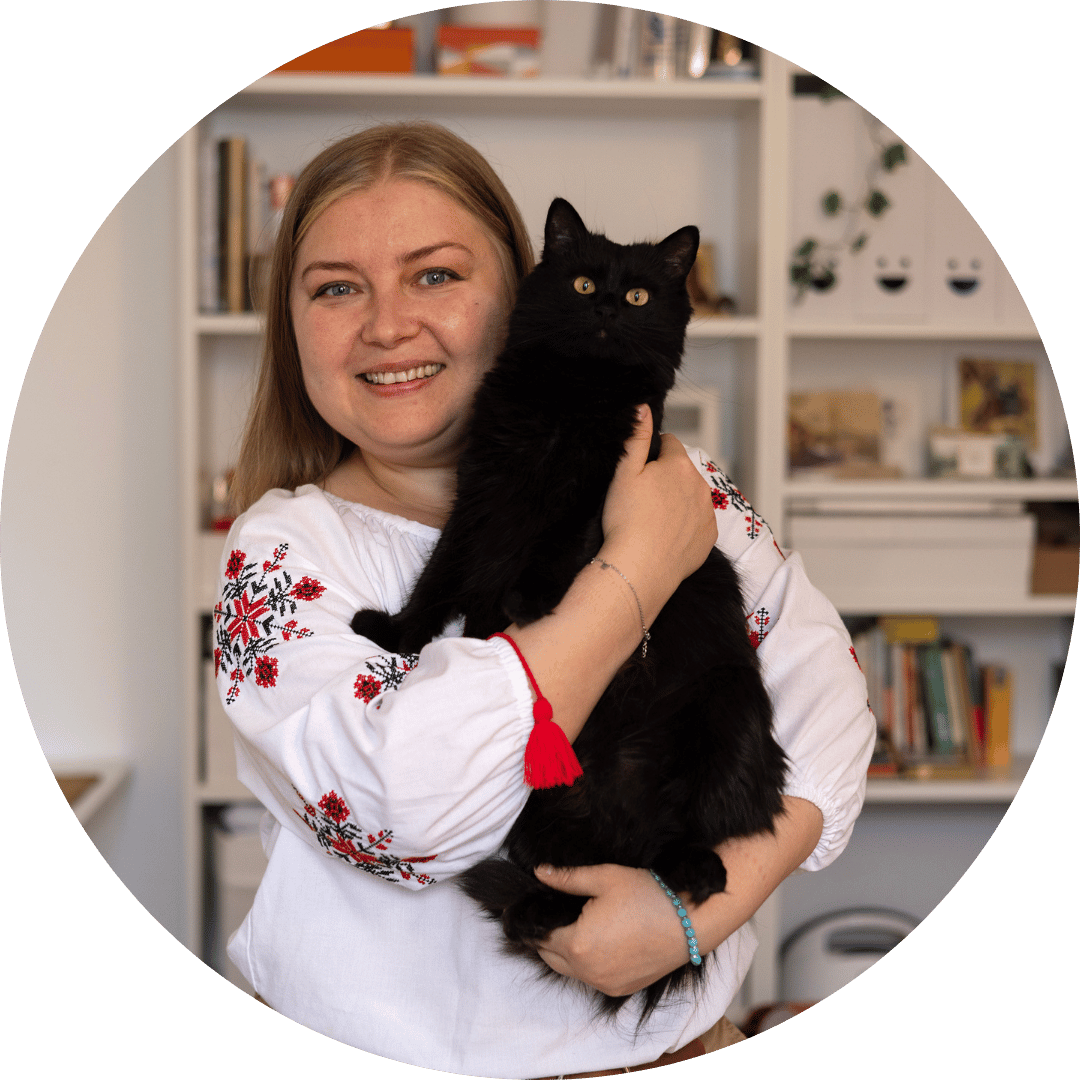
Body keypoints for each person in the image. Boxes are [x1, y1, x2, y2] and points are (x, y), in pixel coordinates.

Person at [215, 121, 875, 1077]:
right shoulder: (284, 551)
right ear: (294, 325)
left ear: (517, 290)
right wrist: (636, 574)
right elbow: (409, 812)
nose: (387, 324)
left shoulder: (679, 481)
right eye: (335, 287)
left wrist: (698, 912)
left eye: (436, 275)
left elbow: (830, 709)